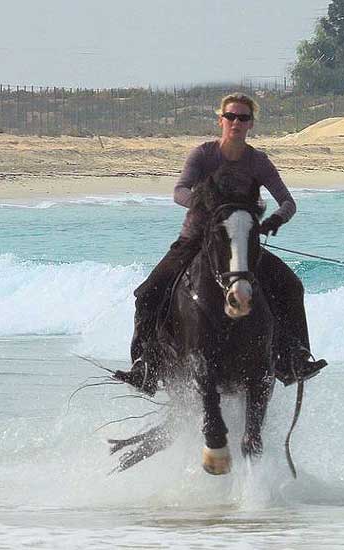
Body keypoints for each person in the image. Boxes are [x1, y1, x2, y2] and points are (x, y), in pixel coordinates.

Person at [114, 93, 326, 395]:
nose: (236, 123)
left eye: (243, 118)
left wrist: (275, 220)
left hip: (241, 244)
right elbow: (179, 191)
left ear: (251, 123)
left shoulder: (258, 161)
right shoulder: (203, 155)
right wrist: (208, 208)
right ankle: (145, 364)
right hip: (195, 240)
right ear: (221, 120)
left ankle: (294, 357)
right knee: (148, 292)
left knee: (292, 286)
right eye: (230, 117)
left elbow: (287, 202)